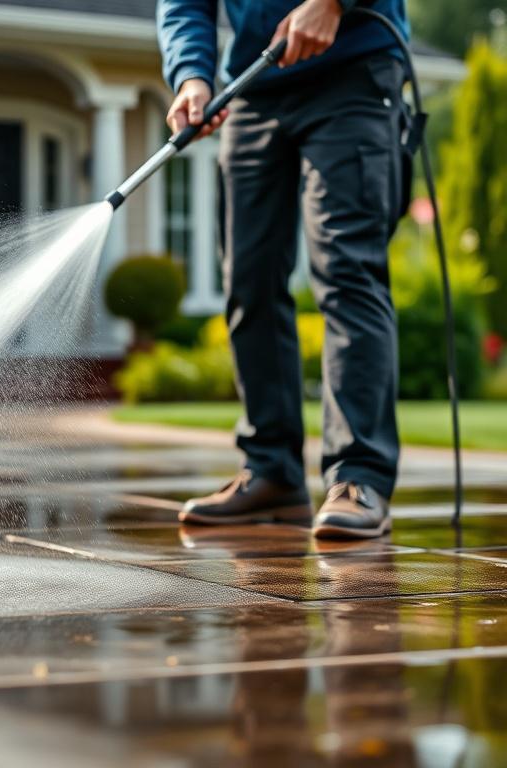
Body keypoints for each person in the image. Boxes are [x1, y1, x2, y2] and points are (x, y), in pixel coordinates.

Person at [160, 0, 410, 538]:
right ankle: (271, 471)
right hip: (254, 86)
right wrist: (191, 75)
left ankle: (359, 476)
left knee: (347, 273)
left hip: (352, 73)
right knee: (248, 280)